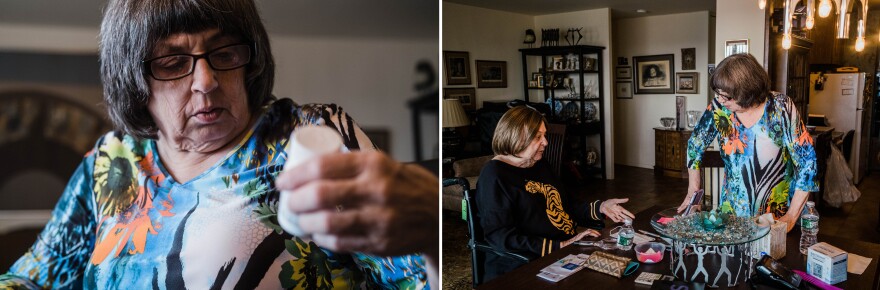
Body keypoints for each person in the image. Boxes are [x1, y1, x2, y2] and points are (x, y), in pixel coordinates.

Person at [0, 0, 438, 289]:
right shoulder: (108, 164)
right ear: (133, 83)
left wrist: (432, 233)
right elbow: (33, 278)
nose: (206, 82)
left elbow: (417, 277)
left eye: (225, 54)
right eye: (173, 62)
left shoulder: (309, 134)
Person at [476, 106, 634, 282]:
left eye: (544, 135)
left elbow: (567, 204)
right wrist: (559, 245)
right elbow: (501, 236)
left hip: (564, 252)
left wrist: (601, 207)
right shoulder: (494, 175)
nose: (545, 142)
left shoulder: (539, 164)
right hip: (525, 264)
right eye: (538, 137)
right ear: (517, 137)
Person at [677, 53, 818, 232]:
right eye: (718, 94)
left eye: (726, 96)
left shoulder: (781, 107)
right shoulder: (718, 108)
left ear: (747, 92)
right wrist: (693, 192)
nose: (720, 100)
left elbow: (807, 163)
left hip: (777, 217)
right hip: (732, 216)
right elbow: (694, 145)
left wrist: (790, 217)